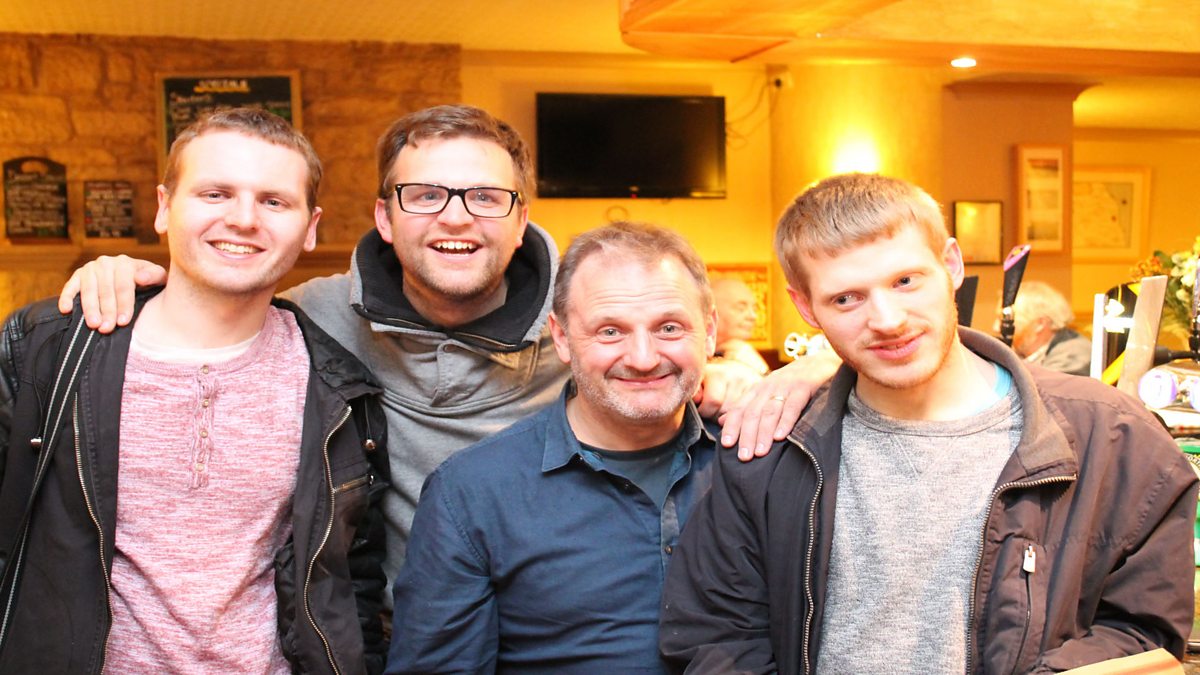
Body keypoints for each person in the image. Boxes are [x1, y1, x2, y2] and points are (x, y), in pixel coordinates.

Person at [54, 105, 839, 596]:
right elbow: (216, 298)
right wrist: (123, 274)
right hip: (388, 634)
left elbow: (676, 344)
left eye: (485, 197)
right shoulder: (316, 316)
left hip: (560, 628)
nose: (456, 218)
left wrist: (797, 367)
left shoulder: (584, 316)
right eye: (425, 194)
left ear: (521, 216)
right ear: (384, 217)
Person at [659, 173, 1198, 674]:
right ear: (806, 308)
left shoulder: (1112, 437)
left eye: (905, 281)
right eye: (846, 298)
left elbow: (1143, 631)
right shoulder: (770, 447)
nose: (888, 320)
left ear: (952, 265)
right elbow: (718, 634)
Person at [0, 109, 388, 673]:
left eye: (274, 201)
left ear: (310, 228)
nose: (244, 219)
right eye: (215, 193)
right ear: (164, 207)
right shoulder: (48, 351)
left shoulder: (339, 389)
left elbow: (353, 579)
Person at [389, 222, 719, 673]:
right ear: (561, 338)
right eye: (610, 331)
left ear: (710, 331)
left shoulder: (755, 459)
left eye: (669, 327)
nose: (643, 358)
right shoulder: (472, 492)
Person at [1010, 280, 1091, 375]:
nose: (997, 327)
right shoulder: (1019, 352)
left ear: (1040, 324)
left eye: (1010, 321)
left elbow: (1039, 384)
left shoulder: (1073, 355)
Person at [711, 277, 771, 375]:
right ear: (712, 312)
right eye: (741, 308)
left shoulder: (743, 354)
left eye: (754, 309)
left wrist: (761, 369)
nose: (753, 316)